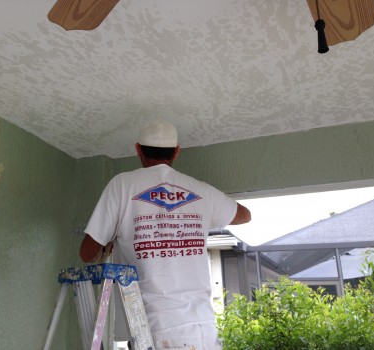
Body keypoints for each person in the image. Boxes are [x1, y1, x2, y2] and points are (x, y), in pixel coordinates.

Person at [80, 119, 251, 350]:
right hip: (204, 329)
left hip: (154, 329)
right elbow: (244, 215)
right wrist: (198, 213)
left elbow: (87, 253)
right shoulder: (200, 191)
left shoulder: (122, 185)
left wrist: (112, 236)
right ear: (177, 152)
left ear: (138, 149)